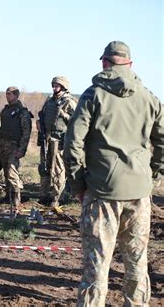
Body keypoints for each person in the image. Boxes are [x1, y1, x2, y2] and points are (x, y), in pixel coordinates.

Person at [64, 40, 163, 306]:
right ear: (129, 64)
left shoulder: (92, 95)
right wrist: (152, 177)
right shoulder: (150, 98)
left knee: (97, 265)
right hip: (139, 194)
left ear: (105, 63)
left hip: (101, 193)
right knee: (137, 262)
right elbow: (163, 141)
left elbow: (72, 142)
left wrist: (78, 185)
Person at [36, 75, 76, 207]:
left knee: (58, 169)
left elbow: (77, 121)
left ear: (63, 87)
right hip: (46, 137)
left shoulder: (69, 102)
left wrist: (63, 114)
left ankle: (56, 197)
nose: (54, 88)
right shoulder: (50, 100)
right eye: (53, 85)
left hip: (59, 139)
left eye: (57, 85)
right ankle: (44, 195)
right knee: (44, 167)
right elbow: (43, 114)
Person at [0, 86, 32, 207]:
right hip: (2, 146)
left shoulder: (22, 112)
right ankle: (8, 195)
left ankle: (16, 196)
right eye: (6, 94)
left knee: (12, 171)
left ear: (16, 95)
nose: (7, 96)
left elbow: (26, 132)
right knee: (6, 172)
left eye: (9, 94)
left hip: (14, 147)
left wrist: (22, 150)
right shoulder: (5, 111)